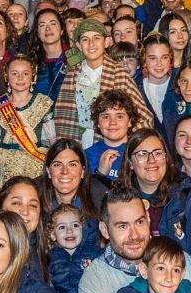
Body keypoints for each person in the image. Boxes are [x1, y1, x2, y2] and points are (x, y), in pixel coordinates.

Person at [52, 18, 151, 146]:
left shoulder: (119, 73)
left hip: (113, 143)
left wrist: (125, 144)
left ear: (107, 42)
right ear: (78, 45)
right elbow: (62, 117)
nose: (91, 44)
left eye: (96, 38)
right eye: (85, 39)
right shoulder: (72, 75)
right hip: (78, 142)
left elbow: (144, 119)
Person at [0, 54, 51, 200]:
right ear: (7, 77)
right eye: (14, 73)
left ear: (33, 76)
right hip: (1, 163)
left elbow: (51, 137)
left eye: (25, 73)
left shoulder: (43, 103)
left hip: (33, 161)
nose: (20, 78)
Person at [85, 90, 138, 181]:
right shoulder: (86, 156)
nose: (112, 122)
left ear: (130, 121)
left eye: (120, 116)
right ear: (98, 122)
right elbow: (86, 193)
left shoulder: (139, 152)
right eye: (106, 117)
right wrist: (100, 173)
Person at [134, 37, 182, 135]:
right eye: (152, 58)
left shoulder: (181, 85)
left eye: (164, 57)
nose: (159, 64)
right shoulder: (134, 88)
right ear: (144, 60)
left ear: (170, 59)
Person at [30, 8, 69, 101]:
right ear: (38, 33)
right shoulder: (31, 64)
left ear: (62, 30)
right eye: (42, 25)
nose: (48, 28)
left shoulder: (75, 59)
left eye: (53, 24)